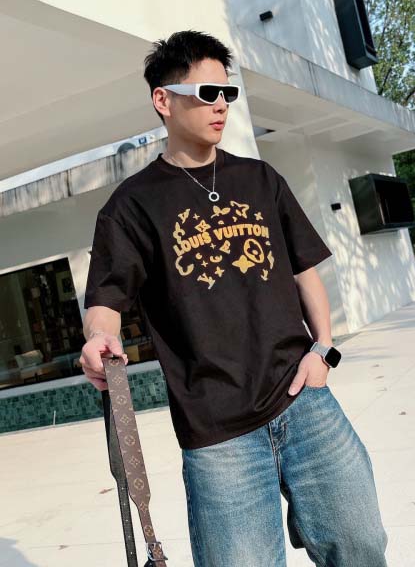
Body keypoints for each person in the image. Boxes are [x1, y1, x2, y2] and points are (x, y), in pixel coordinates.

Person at [80, 30, 388, 566]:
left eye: (228, 93)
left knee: (361, 545)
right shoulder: (131, 207)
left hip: (304, 400)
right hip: (218, 432)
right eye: (207, 93)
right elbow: (105, 299)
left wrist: (323, 349)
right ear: (163, 100)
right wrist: (98, 339)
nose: (221, 104)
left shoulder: (260, 179)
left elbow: (304, 272)